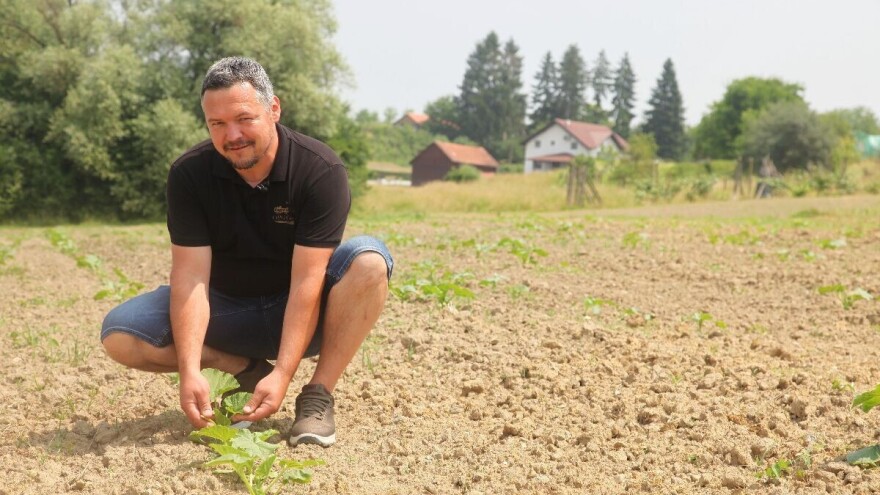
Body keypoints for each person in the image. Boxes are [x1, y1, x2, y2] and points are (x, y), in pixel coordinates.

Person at [100, 57, 393, 447]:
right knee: (121, 336)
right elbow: (191, 278)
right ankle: (243, 367)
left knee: (370, 261)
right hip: (228, 311)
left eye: (244, 119)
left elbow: (308, 280)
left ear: (273, 109)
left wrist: (285, 373)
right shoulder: (189, 175)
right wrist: (189, 370)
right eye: (216, 124)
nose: (231, 135)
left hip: (305, 310)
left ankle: (317, 395)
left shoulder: (320, 170)